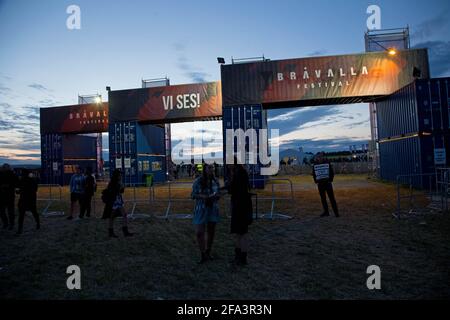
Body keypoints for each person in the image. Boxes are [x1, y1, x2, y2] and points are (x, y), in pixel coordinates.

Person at [191, 164, 221, 264]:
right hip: (201, 209)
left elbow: (219, 194)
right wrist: (203, 197)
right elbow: (193, 194)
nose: (211, 169)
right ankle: (202, 253)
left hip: (212, 208)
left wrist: (216, 196)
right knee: (200, 232)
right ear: (204, 169)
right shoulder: (198, 181)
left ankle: (208, 251)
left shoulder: (215, 181)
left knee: (211, 231)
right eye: (209, 167)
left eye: (212, 167)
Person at [227, 162, 253, 266]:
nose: (228, 167)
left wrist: (229, 183)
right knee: (240, 232)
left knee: (241, 233)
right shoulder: (242, 172)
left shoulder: (237, 174)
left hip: (240, 206)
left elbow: (232, 190)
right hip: (243, 205)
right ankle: (240, 257)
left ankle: (241, 258)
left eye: (229, 164)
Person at [101, 169, 134, 238]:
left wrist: (121, 187)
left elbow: (121, 191)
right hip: (114, 201)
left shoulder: (118, 182)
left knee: (122, 215)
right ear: (117, 175)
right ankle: (114, 232)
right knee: (113, 216)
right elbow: (113, 191)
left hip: (118, 200)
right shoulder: (113, 182)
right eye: (119, 175)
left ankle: (123, 231)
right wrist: (120, 188)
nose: (121, 176)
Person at [312, 152, 340, 218]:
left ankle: (336, 213)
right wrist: (316, 181)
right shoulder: (315, 164)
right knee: (323, 199)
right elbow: (314, 173)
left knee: (332, 199)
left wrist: (330, 180)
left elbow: (331, 172)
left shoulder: (327, 163)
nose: (319, 158)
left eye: (321, 156)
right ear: (317, 157)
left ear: (323, 157)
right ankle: (326, 212)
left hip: (327, 183)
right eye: (318, 157)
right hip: (320, 184)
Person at [16, 169, 40, 235]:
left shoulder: (21, 181)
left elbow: (18, 191)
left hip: (23, 199)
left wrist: (19, 191)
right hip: (31, 199)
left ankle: (19, 229)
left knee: (21, 215)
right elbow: (35, 189)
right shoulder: (33, 181)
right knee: (34, 212)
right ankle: (38, 224)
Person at [0, 164, 18, 230]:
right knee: (10, 211)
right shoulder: (13, 175)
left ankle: (6, 223)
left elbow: (16, 183)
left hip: (3, 195)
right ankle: (11, 224)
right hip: (9, 195)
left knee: (2, 211)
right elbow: (17, 184)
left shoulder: (2, 174)